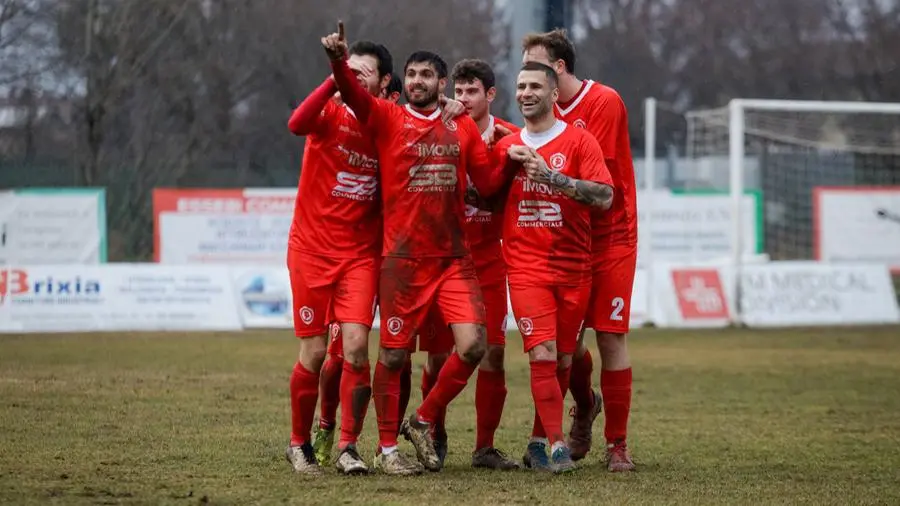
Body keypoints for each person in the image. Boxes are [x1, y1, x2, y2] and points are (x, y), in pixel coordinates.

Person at [321, 22, 513, 475]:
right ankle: (387, 449)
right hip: (402, 262)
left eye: (426, 75)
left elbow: (486, 184)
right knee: (392, 355)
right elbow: (353, 96)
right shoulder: (388, 118)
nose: (417, 82)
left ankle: (423, 419)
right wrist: (336, 62)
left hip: (452, 261)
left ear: (440, 83)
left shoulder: (461, 125)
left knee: (473, 346)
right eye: (411, 75)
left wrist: (508, 154)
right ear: (403, 82)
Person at [522, 28, 638, 472]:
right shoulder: (537, 115)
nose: (527, 82)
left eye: (534, 69)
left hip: (609, 238)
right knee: (563, 346)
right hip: (563, 241)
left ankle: (618, 445)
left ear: (558, 69)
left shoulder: (603, 103)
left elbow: (596, 184)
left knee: (610, 336)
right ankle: (583, 405)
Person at [493, 61, 613, 473]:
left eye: (534, 87)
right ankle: (558, 446)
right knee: (541, 353)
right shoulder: (505, 147)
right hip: (526, 269)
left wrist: (552, 177)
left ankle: (538, 439)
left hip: (575, 269)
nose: (525, 93)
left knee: (562, 360)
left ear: (553, 94)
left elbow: (604, 196)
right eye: (520, 86)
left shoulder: (580, 142)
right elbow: (483, 193)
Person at [284, 40, 395, 476]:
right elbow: (295, 123)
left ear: (385, 82)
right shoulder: (329, 112)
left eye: (364, 71)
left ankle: (348, 446)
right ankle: (299, 444)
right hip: (311, 250)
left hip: (359, 256)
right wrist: (335, 75)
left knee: (355, 349)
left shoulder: (386, 123)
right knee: (312, 353)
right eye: (351, 70)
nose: (355, 76)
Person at [410, 58, 519, 470]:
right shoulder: (443, 129)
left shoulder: (510, 136)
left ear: (490, 95)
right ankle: (432, 428)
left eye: (472, 91)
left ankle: (484, 448)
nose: (464, 99)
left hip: (490, 261)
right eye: (458, 91)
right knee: (438, 358)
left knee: (492, 355)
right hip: (445, 259)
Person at [312, 54, 405, 468]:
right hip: (357, 256)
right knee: (341, 355)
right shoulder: (342, 122)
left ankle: (384, 444)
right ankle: (328, 426)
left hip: (401, 259)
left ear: (388, 89)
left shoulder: (397, 127)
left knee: (396, 355)